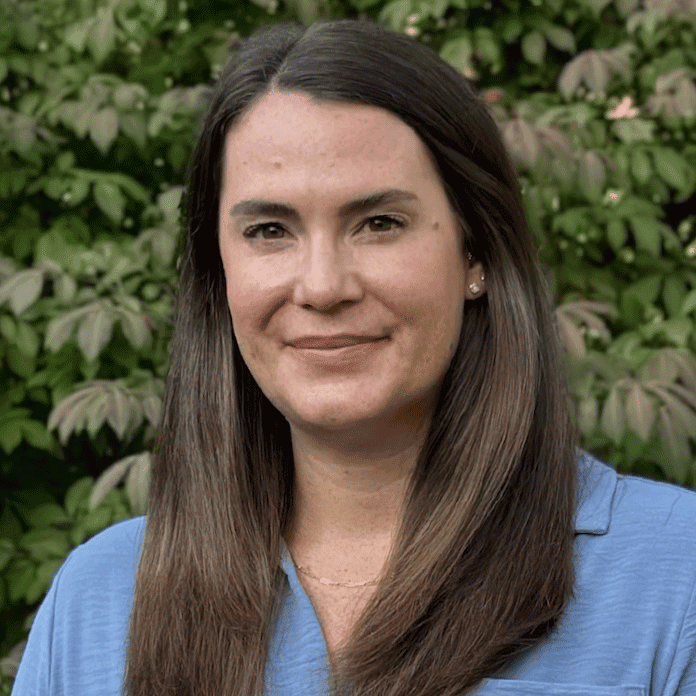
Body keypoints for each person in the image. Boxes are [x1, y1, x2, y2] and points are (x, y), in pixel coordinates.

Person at [10, 17, 696, 696]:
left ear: (476, 251)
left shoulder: (675, 575)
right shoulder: (99, 600)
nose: (322, 286)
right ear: (218, 273)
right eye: (269, 230)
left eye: (379, 224)